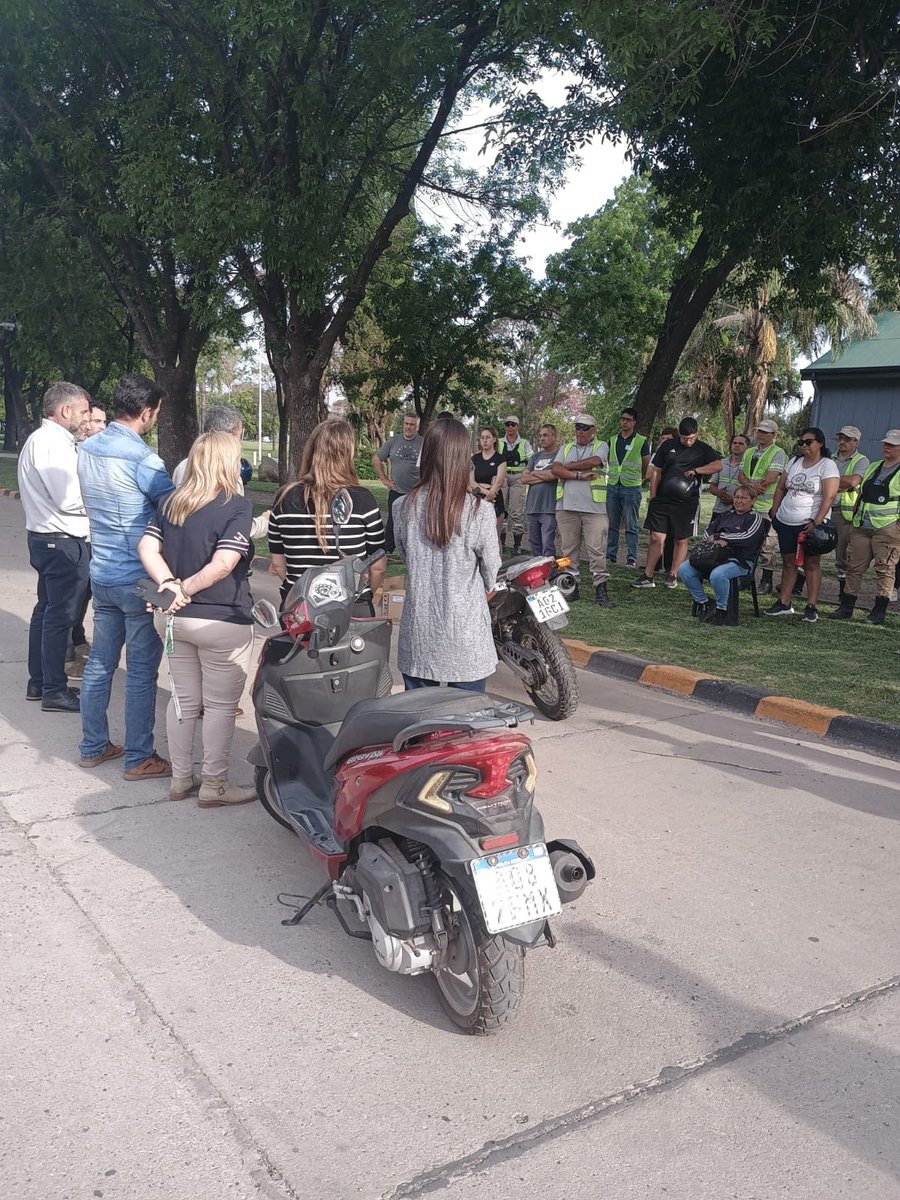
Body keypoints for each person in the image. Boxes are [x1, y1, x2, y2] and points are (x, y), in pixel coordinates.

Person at [138, 432, 257, 805]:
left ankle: (180, 777)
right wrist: (185, 588)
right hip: (221, 619)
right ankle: (215, 783)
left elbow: (146, 546)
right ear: (228, 463)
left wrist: (169, 586)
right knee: (220, 706)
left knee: (183, 700)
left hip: (173, 620)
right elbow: (224, 564)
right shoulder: (236, 506)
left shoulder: (172, 502)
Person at [77, 373, 175, 777]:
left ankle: (93, 744)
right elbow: (172, 510)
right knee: (139, 671)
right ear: (147, 412)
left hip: (101, 571)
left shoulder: (86, 448)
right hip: (139, 578)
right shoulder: (144, 460)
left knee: (100, 663)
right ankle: (139, 756)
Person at [393, 419, 501, 690]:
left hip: (420, 633)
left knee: (419, 723)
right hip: (466, 635)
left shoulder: (403, 508)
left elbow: (407, 556)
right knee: (466, 726)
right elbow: (491, 570)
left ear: (426, 455)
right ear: (463, 459)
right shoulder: (480, 512)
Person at [17, 382, 91, 712]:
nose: (86, 418)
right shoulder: (52, 444)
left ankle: (40, 681)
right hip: (61, 542)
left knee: (46, 612)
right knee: (59, 616)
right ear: (65, 411)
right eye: (84, 411)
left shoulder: (47, 440)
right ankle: (53, 689)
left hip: (49, 540)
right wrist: (102, 497)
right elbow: (69, 499)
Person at [267, 417, 386, 607]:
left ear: (311, 450)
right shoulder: (363, 500)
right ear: (348, 454)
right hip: (351, 607)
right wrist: (363, 596)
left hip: (298, 608)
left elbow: (279, 564)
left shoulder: (284, 499)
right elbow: (378, 567)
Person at [634, 418, 723, 590]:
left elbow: (718, 465)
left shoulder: (703, 448)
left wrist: (697, 471)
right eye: (683, 438)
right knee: (656, 537)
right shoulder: (668, 446)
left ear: (696, 434)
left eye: (690, 438)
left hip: (686, 502)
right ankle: (648, 575)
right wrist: (653, 497)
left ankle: (673, 574)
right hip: (662, 499)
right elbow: (656, 472)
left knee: (680, 539)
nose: (687, 441)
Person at [765, 427, 839, 622]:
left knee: (811, 564)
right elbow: (781, 487)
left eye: (809, 442)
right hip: (785, 520)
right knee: (788, 562)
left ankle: (811, 606)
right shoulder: (795, 461)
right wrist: (775, 510)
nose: (804, 445)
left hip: (808, 522)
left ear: (820, 443)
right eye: (802, 442)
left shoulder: (827, 465)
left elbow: (829, 496)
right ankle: (784, 603)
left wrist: (817, 521)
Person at [831, 430, 900, 626]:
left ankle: (878, 611)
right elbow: (861, 492)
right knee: (854, 567)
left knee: (885, 569)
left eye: (892, 445)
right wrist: (855, 517)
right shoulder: (875, 466)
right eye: (886, 443)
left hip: (887, 528)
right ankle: (847, 606)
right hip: (862, 525)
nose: (887, 447)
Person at [172, 405, 270, 540]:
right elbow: (234, 526)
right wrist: (263, 522)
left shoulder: (183, 466)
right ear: (230, 435)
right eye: (240, 435)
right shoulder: (229, 473)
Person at [677, 486, 766, 625]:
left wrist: (721, 536)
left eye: (744, 498)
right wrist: (718, 541)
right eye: (736, 497)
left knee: (718, 575)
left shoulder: (755, 518)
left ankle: (721, 610)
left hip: (740, 561)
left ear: (753, 500)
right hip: (714, 556)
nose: (739, 501)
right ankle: (704, 602)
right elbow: (708, 532)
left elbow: (746, 537)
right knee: (684, 569)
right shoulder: (726, 515)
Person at [551, 412, 614, 607]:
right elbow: (555, 469)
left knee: (597, 550)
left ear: (593, 430)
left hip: (594, 509)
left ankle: (601, 590)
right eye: (578, 426)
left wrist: (567, 467)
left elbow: (594, 461)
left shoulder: (601, 445)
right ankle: (570, 586)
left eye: (585, 427)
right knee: (566, 550)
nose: (580, 430)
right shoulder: (566, 447)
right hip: (566, 507)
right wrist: (578, 474)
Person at [67, 404, 110, 678]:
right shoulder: (78, 452)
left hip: (99, 536)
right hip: (81, 536)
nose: (99, 426)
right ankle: (68, 652)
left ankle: (79, 639)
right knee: (76, 596)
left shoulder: (101, 453)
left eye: (104, 422)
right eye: (95, 420)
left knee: (87, 594)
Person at [738, 419, 787, 594]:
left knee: (768, 544)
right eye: (759, 431)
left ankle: (766, 581)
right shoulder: (750, 451)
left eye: (765, 432)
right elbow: (741, 474)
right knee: (745, 541)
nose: (760, 434)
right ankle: (745, 577)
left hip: (767, 505)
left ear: (773, 435)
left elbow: (771, 477)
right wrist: (751, 487)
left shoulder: (778, 452)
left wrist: (750, 487)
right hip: (749, 504)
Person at [372, 412, 422, 553]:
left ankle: (414, 552)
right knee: (393, 523)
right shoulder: (393, 441)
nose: (408, 427)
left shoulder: (423, 443)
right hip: (396, 491)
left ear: (417, 427)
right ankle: (387, 551)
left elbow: (430, 466)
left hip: (416, 492)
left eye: (412, 424)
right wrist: (384, 479)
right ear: (403, 424)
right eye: (406, 423)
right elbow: (376, 459)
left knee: (415, 524)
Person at [605, 406, 649, 567]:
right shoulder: (613, 439)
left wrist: (642, 477)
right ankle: (611, 555)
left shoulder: (641, 441)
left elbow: (646, 462)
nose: (624, 422)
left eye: (628, 420)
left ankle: (631, 557)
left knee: (631, 524)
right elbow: (610, 460)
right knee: (612, 524)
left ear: (634, 422)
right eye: (622, 419)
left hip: (631, 487)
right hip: (613, 485)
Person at [830, 425, 869, 595]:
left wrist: (828, 481)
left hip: (843, 513)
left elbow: (852, 482)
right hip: (824, 508)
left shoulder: (861, 461)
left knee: (842, 554)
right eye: (840, 438)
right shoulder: (829, 458)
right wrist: (838, 482)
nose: (842, 442)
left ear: (856, 443)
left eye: (847, 439)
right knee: (812, 545)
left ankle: (842, 593)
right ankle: (799, 585)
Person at [520, 423, 559, 557]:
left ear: (554, 437)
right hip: (532, 507)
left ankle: (550, 575)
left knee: (547, 543)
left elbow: (554, 474)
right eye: (540, 435)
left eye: (545, 435)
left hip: (549, 507)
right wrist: (545, 475)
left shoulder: (559, 455)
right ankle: (536, 575)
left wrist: (535, 473)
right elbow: (524, 478)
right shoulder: (535, 456)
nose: (542, 438)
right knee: (534, 543)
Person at [499, 416, 533, 553]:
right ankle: (500, 542)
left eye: (513, 424)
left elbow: (531, 460)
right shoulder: (499, 442)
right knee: (501, 510)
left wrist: (526, 473)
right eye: (507, 424)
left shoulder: (524, 443)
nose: (510, 427)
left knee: (517, 512)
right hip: (502, 476)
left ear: (517, 426)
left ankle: (517, 545)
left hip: (518, 477)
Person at [470, 426, 507, 548]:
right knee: (476, 538)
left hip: (495, 502)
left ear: (494, 439)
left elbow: (498, 483)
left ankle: (497, 566)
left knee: (494, 539)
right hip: (476, 500)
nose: (485, 440)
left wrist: (488, 495)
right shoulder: (474, 459)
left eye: (488, 437)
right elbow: (470, 482)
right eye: (482, 438)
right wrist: (485, 491)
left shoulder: (500, 459)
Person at [709, 434, 749, 514]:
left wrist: (733, 500)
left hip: (739, 513)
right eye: (735, 443)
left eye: (741, 443)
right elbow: (712, 486)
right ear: (731, 445)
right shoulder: (721, 463)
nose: (737, 445)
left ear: (748, 448)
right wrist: (719, 493)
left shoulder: (749, 466)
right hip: (718, 511)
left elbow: (751, 491)